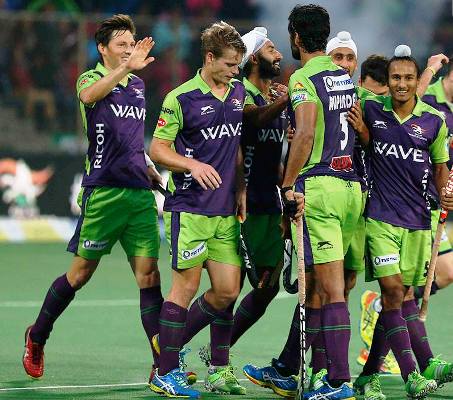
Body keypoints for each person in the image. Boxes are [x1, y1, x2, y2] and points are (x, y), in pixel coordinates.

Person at [22, 14, 163, 380]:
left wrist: (146, 163)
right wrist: (123, 69)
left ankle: (163, 364)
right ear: (102, 49)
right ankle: (37, 336)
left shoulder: (137, 86)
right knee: (80, 274)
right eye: (121, 45)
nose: (128, 50)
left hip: (138, 195)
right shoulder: (92, 78)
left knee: (149, 277)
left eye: (131, 45)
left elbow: (130, 135)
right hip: (103, 193)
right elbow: (89, 97)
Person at [148, 21, 248, 399]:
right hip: (188, 208)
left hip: (224, 211)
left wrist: (239, 187)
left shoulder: (237, 92)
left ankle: (180, 351)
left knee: (227, 291)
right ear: (209, 58)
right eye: (229, 64)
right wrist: (191, 165)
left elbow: (236, 146)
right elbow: (158, 149)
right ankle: (166, 371)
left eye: (238, 64)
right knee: (185, 287)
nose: (235, 71)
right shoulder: (181, 98)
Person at [349, 45, 453, 400]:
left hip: (418, 221)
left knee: (400, 297)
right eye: (396, 78)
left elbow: (441, 168)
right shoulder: (373, 109)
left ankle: (367, 375)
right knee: (393, 291)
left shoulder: (433, 122)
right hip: (380, 217)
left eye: (409, 78)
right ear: (388, 82)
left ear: (414, 81)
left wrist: (447, 193)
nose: (402, 84)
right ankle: (413, 375)